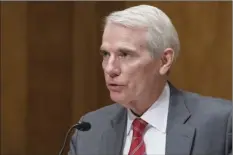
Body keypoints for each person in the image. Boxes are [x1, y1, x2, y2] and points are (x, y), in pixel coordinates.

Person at [69, 4, 232, 155]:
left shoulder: (222, 124)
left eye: (124, 54)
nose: (110, 68)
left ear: (164, 61)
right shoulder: (90, 130)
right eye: (106, 54)